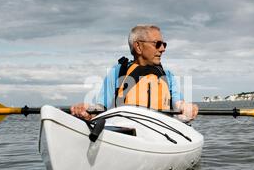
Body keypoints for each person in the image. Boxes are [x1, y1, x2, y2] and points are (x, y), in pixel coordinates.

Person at [70, 25, 199, 121]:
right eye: (158, 44)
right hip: (125, 132)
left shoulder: (168, 76)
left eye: (164, 44)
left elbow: (179, 105)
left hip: (161, 132)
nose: (163, 49)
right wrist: (87, 110)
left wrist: (187, 107)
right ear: (138, 47)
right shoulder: (118, 72)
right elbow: (100, 107)